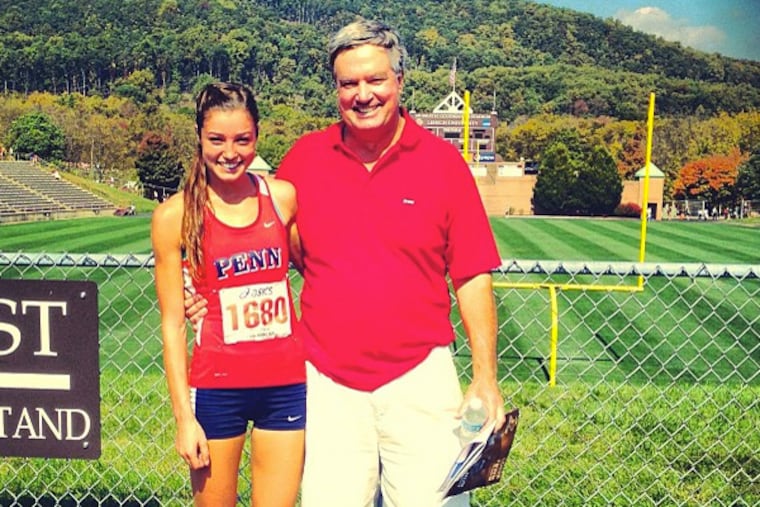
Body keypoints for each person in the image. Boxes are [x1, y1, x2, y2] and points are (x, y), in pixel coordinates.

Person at [186, 20, 506, 506]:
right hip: (327, 380)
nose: (364, 94)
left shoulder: (442, 163)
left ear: (399, 80)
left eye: (375, 80)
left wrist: (485, 376)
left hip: (419, 376)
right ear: (335, 88)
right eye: (349, 83)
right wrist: (207, 297)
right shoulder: (305, 160)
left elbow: (472, 275)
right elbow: (266, 251)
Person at [152, 82, 305, 507]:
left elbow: (317, 271)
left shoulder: (282, 196)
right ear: (199, 138)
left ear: (257, 137)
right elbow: (172, 323)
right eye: (216, 140)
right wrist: (184, 418)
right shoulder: (175, 215)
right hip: (217, 388)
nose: (230, 152)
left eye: (243, 139)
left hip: (285, 384)